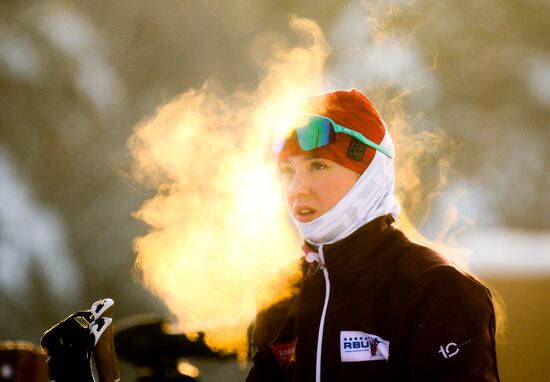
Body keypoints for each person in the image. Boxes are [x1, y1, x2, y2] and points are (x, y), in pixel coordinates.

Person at [246, 89, 500, 381]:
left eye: (318, 166)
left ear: (369, 176)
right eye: (288, 170)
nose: (296, 189)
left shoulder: (437, 290)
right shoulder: (279, 293)